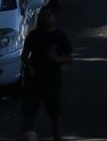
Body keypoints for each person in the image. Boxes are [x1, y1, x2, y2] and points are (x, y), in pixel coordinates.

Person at [21, 9, 72, 141]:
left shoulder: (59, 36)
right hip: (34, 80)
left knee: (55, 114)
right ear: (39, 18)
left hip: (52, 80)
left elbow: (69, 58)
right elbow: (24, 56)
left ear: (53, 18)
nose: (46, 18)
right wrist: (29, 67)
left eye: (49, 15)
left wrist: (57, 59)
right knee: (29, 114)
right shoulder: (33, 35)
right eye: (43, 15)